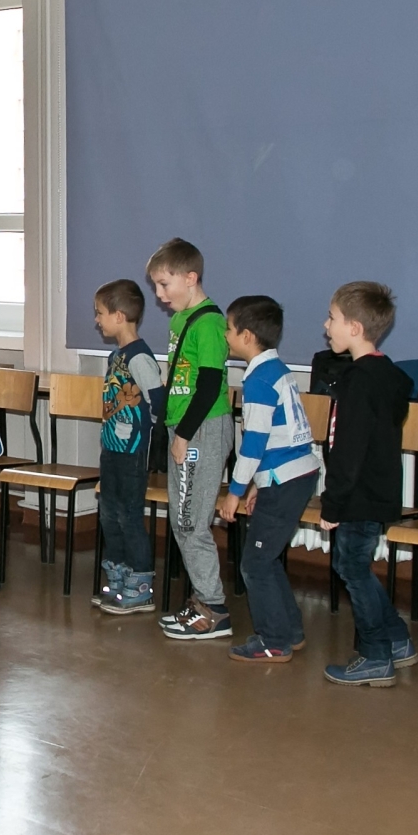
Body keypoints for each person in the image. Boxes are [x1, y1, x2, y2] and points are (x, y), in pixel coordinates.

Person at [318, 282, 418, 687]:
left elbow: (348, 448)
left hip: (358, 494)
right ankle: (396, 640)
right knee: (353, 565)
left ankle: (376, 654)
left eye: (332, 318)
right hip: (376, 492)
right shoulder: (386, 375)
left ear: (355, 328)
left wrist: (333, 503)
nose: (326, 326)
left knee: (352, 567)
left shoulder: (359, 381)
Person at [216, 296, 322, 660]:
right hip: (292, 476)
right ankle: (290, 632)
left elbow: (254, 444)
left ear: (246, 336)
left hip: (286, 477)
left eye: (229, 328)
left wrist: (235, 491)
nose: (226, 335)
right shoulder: (277, 369)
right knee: (267, 557)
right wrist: (262, 484)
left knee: (255, 563)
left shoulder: (259, 380)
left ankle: (273, 641)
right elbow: (281, 435)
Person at [147, 238, 234, 640]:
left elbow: (210, 384)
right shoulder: (180, 321)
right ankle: (201, 601)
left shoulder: (210, 323)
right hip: (182, 428)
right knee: (181, 520)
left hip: (202, 429)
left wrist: (183, 434)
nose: (160, 295)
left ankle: (214, 609)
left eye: (164, 285)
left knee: (191, 523)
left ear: (190, 278)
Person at [91, 279, 165, 615]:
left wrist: (146, 437)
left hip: (132, 452)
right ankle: (118, 579)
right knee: (110, 514)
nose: (97, 320)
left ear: (119, 316)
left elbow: (158, 403)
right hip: (111, 448)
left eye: (100, 313)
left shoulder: (139, 357)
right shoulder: (117, 355)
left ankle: (140, 587)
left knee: (129, 516)